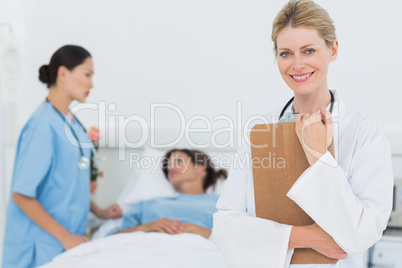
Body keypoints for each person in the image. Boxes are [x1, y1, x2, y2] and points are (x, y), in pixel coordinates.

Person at [212, 1, 393, 267]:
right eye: (286, 53)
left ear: (333, 50)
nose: (297, 64)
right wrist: (303, 237)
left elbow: (362, 234)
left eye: (308, 50)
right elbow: (225, 226)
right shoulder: (262, 131)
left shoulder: (364, 132)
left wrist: (319, 157)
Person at [2, 45, 123, 268]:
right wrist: (65, 237)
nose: (91, 84)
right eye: (87, 75)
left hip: (64, 244)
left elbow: (69, 184)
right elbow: (21, 195)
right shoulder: (42, 125)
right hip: (38, 247)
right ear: (63, 73)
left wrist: (100, 212)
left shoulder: (72, 123)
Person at [109, 149, 227, 239]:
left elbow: (238, 239)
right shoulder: (149, 204)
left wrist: (197, 230)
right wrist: (145, 228)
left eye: (178, 161)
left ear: (200, 168)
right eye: (168, 166)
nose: (170, 167)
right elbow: (111, 238)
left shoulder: (221, 203)